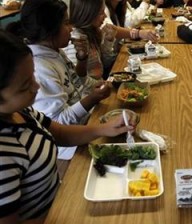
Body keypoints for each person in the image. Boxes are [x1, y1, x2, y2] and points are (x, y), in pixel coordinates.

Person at [0, 29, 135, 223]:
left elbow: (59, 132)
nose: (36, 87)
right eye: (25, 85)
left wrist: (103, 128)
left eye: (33, 77)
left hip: (60, 196)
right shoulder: (4, 154)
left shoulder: (19, 111)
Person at [7, 0, 110, 126]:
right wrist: (93, 98)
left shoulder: (56, 51)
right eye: (66, 23)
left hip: (87, 120)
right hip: (73, 141)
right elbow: (59, 121)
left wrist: (83, 60)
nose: (71, 28)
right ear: (50, 29)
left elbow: (79, 82)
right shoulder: (41, 68)